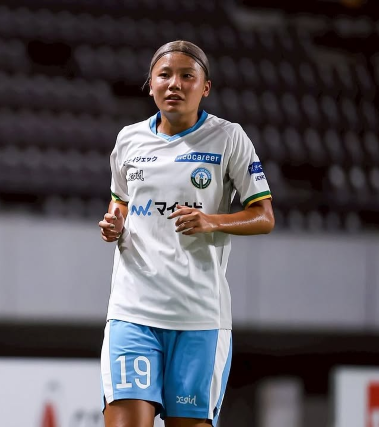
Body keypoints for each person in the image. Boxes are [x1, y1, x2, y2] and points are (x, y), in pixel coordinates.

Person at [98, 40, 275, 427]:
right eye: (164, 75)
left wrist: (212, 221)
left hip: (199, 318)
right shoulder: (129, 139)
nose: (174, 83)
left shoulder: (228, 138)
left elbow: (264, 216)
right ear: (151, 85)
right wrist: (115, 220)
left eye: (186, 76)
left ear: (205, 87)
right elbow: (121, 200)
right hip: (133, 312)